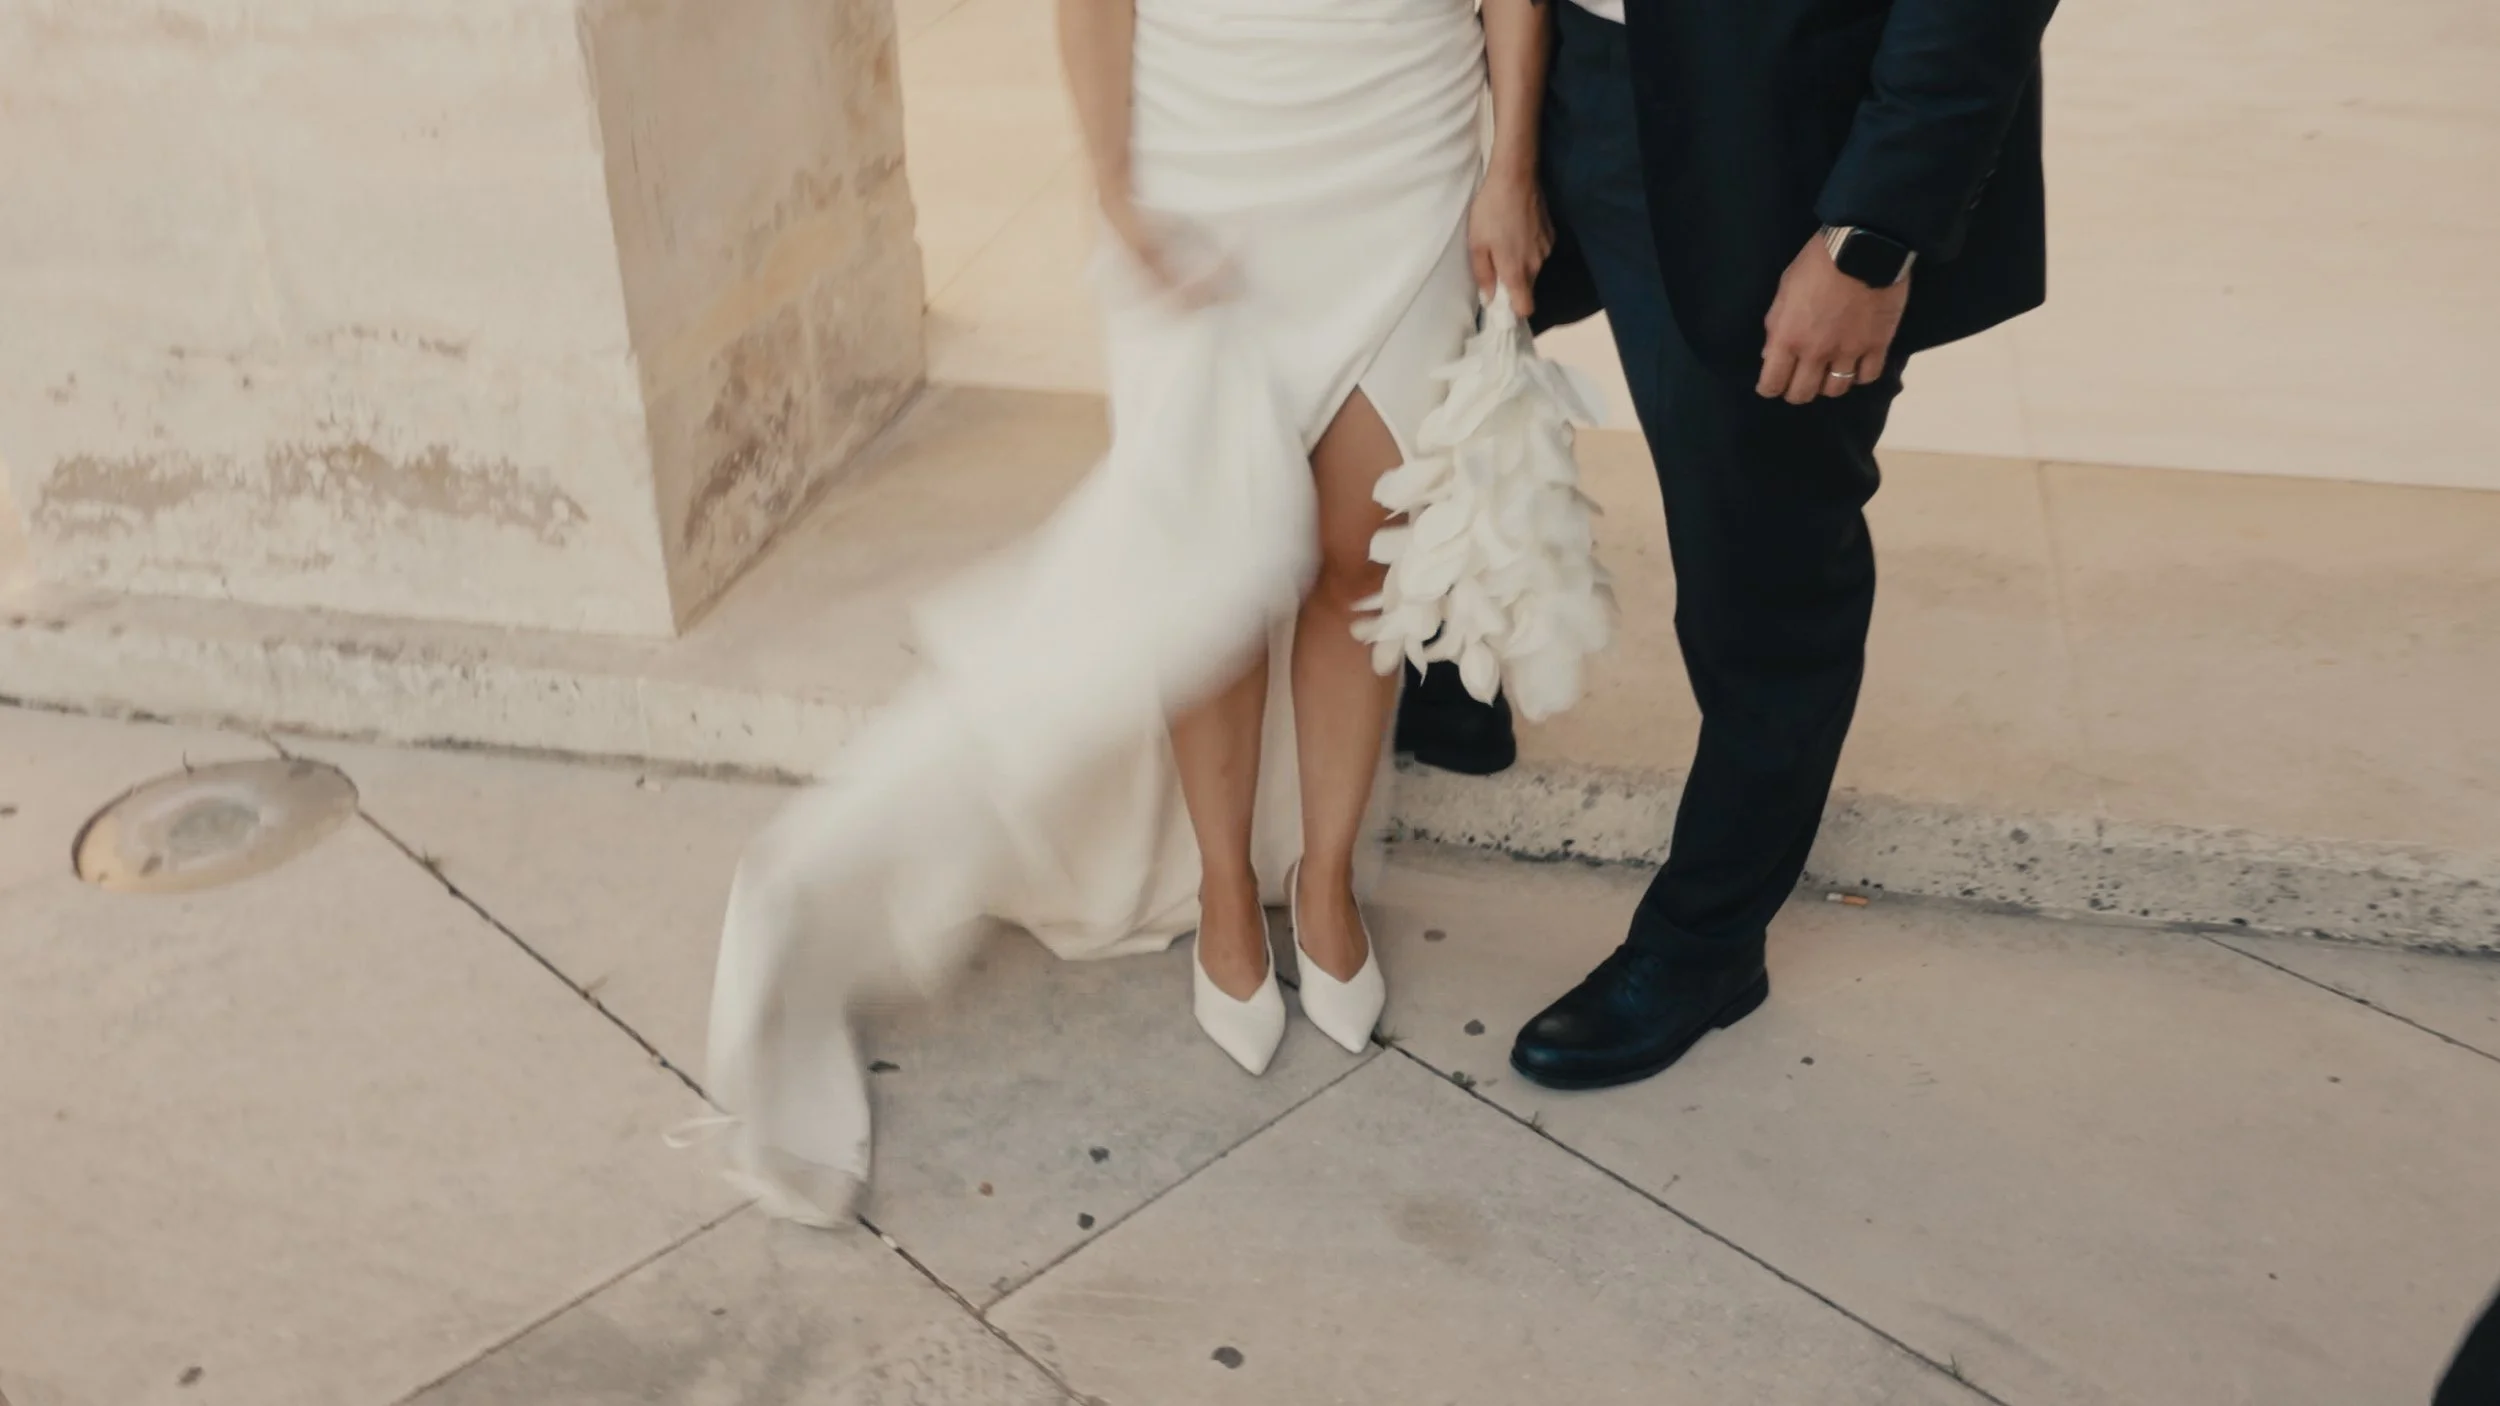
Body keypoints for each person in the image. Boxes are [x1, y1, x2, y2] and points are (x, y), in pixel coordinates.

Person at [699, 0, 1555, 1223]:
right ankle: (1222, 888)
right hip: (1207, 151)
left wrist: (1509, 160)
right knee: (1203, 561)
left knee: (1367, 544)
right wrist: (1113, 184)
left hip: (1408, 140)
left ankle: (1322, 880)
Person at [1486, 0, 2063, 1089]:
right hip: (1549, 74)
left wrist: (1870, 235)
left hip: (1780, 139)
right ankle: (1444, 682)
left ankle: (1703, 943)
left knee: (1759, 565)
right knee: (1428, 388)